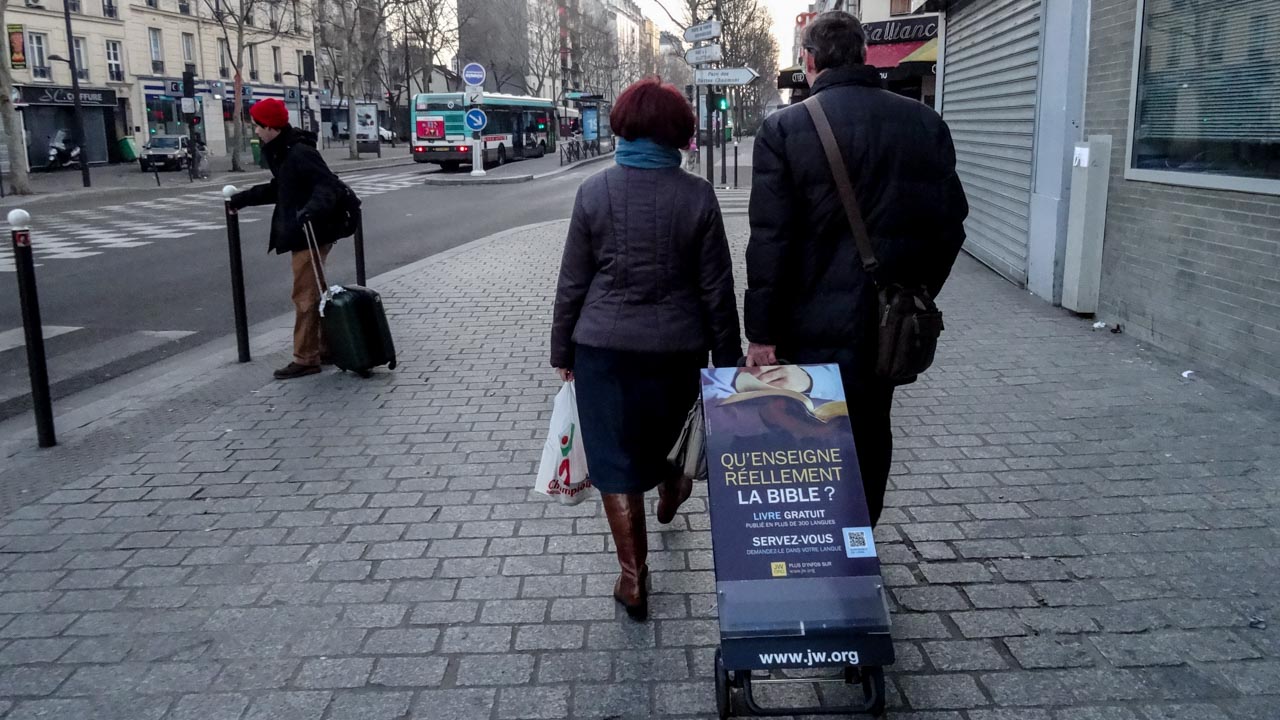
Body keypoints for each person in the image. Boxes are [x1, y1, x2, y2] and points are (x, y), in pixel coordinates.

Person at [744, 11, 969, 526]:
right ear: (864, 55)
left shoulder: (785, 128)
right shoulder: (924, 122)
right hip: (885, 324)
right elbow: (951, 224)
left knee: (807, 431)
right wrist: (914, 291)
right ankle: (859, 537)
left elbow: (770, 241)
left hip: (806, 324)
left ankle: (818, 541)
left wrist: (761, 333)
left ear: (809, 60)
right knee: (871, 427)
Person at [551, 77, 741, 622]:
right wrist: (728, 363)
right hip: (677, 350)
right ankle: (672, 492)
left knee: (614, 457)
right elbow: (716, 289)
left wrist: (562, 350)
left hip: (603, 351)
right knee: (670, 440)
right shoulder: (697, 196)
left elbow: (573, 281)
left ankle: (633, 578)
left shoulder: (593, 192)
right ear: (678, 134)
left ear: (623, 128)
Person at [230, 97, 350, 380]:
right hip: (305, 229)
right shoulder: (284, 151)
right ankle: (325, 347)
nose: (255, 131)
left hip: (311, 231)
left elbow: (327, 185)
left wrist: (309, 211)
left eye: (258, 126)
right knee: (315, 293)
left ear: (271, 127)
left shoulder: (298, 152)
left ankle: (306, 358)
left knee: (305, 295)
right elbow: (281, 187)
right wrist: (243, 199)